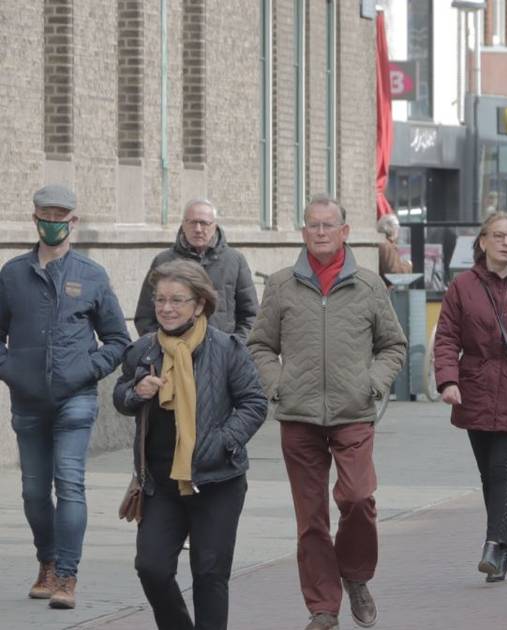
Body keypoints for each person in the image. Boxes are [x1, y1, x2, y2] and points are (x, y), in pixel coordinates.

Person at [248, 195, 408, 630]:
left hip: (352, 412)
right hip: (298, 416)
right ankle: (322, 606)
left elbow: (393, 345)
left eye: (328, 225)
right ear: (303, 233)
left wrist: (372, 383)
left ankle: (355, 575)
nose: (320, 232)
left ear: (344, 232)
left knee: (358, 499)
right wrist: (276, 383)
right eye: (312, 225)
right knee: (311, 517)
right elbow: (260, 344)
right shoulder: (281, 285)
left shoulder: (370, 286)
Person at [114, 260, 267, 630]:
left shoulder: (227, 349)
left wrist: (222, 441)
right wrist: (136, 391)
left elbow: (254, 403)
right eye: (160, 299)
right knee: (151, 569)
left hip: (217, 481)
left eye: (177, 300)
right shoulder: (144, 351)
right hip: (161, 484)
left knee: (209, 574)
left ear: (199, 304)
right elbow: (120, 398)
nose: (166, 308)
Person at [0, 184, 130, 610]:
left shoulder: (91, 275)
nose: (53, 223)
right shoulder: (13, 273)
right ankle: (47, 562)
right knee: (34, 492)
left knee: (69, 484)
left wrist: (85, 371)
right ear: (34, 217)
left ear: (73, 222)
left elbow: (116, 340)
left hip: (76, 399)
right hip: (28, 401)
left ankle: (68, 576)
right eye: (46, 215)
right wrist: (12, 371)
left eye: (62, 216)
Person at [433, 212, 507, 583]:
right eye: (499, 236)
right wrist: (447, 381)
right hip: (474, 387)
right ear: (483, 241)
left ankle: (494, 543)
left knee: (502, 468)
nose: (506, 243)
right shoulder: (463, 285)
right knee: (488, 473)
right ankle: (505, 551)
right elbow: (446, 337)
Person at [134, 199, 258, 341]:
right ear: (183, 224)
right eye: (192, 223)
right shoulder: (163, 261)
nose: (198, 229)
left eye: (204, 223)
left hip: (223, 356)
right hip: (171, 355)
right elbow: (145, 317)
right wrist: (163, 347)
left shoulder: (234, 260)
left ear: (215, 226)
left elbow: (251, 316)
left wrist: (234, 347)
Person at [376, 213, 413, 284]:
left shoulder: (382, 243)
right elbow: (394, 273)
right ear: (392, 228)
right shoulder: (387, 246)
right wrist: (408, 265)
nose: (398, 230)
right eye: (397, 226)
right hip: (386, 289)